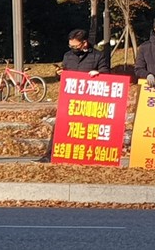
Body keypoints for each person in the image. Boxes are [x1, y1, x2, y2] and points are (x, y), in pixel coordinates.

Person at [38, 29, 111, 162]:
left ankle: (90, 156)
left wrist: (98, 74)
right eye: (70, 46)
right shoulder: (68, 56)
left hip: (89, 99)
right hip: (70, 99)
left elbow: (106, 74)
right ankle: (50, 155)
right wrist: (59, 73)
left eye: (75, 46)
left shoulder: (98, 56)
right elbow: (64, 74)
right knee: (60, 126)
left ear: (84, 43)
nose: (73, 49)